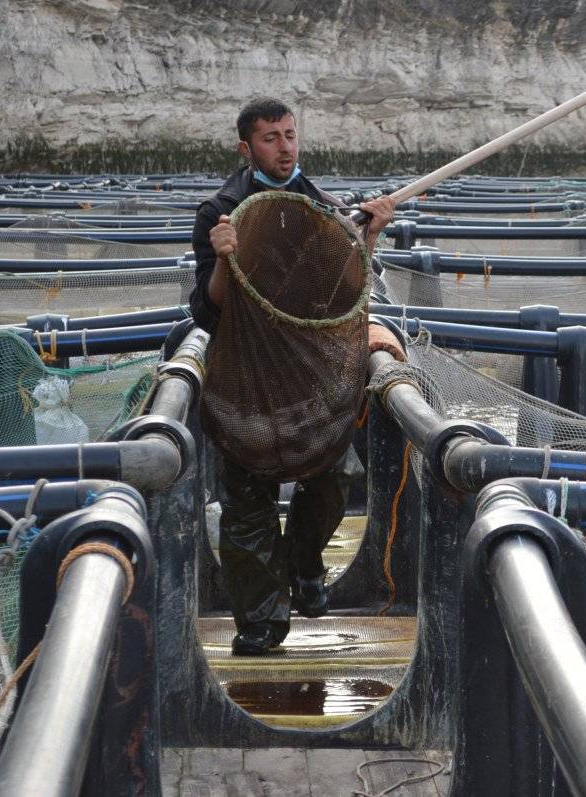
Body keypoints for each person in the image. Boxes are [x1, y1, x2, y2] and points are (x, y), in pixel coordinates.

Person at [190, 97, 396, 656]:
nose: (285, 148)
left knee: (335, 478)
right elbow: (208, 311)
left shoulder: (324, 209)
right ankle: (261, 626)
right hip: (244, 378)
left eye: (289, 134)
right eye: (270, 138)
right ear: (246, 147)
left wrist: (368, 238)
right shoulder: (220, 212)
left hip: (310, 381)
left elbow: (344, 294)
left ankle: (305, 567)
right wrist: (223, 258)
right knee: (248, 502)